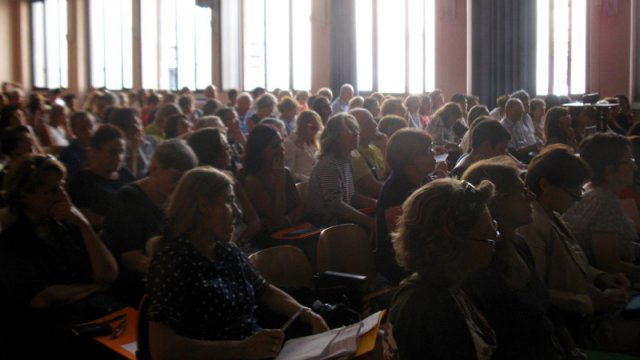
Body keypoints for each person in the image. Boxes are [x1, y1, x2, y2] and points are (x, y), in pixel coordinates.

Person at [146, 167, 328, 360]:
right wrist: (240, 349)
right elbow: (162, 349)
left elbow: (264, 290)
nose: (238, 212)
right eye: (229, 201)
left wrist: (306, 313)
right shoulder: (173, 260)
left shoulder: (226, 251)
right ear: (203, 206)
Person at [0, 154, 118, 358]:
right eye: (52, 190)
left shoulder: (67, 227)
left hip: (86, 318)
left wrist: (83, 224)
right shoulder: (12, 241)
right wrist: (93, 288)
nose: (62, 194)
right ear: (25, 196)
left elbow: (108, 274)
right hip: (44, 333)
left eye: (62, 186)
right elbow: (44, 298)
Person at [518, 145, 630, 347]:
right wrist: (593, 302)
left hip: (588, 312)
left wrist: (601, 277)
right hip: (575, 327)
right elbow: (538, 293)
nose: (579, 197)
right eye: (573, 191)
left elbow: (573, 259)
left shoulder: (552, 215)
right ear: (545, 185)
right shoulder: (533, 226)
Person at [462, 159, 569, 360]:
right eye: (521, 191)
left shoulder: (519, 244)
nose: (531, 196)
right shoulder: (481, 265)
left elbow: (548, 311)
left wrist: (571, 349)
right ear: (498, 200)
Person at [384, 178, 497, 359]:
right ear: (447, 245)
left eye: (494, 228)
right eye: (486, 235)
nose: (495, 240)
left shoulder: (458, 282)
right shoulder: (423, 311)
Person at [103, 139, 198, 306]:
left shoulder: (179, 198)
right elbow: (128, 257)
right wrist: (173, 274)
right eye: (175, 179)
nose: (179, 188)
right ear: (155, 168)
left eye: (184, 182)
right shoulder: (129, 199)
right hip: (139, 285)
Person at [563, 133, 640, 282]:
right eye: (629, 161)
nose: (634, 166)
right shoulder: (603, 199)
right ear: (609, 170)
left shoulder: (593, 190)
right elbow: (609, 264)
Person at [376, 129, 436, 284]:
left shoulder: (424, 179)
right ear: (410, 161)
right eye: (427, 151)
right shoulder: (395, 190)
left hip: (425, 250)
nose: (433, 153)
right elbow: (401, 239)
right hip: (401, 262)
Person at [187, 128, 261, 247]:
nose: (230, 151)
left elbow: (254, 221)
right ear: (212, 153)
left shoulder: (231, 178)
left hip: (241, 243)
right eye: (226, 148)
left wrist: (238, 242)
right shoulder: (197, 187)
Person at [306, 113, 376, 228]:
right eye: (350, 130)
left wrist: (374, 202)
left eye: (356, 129)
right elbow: (335, 205)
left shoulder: (345, 160)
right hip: (325, 225)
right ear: (336, 136)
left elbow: (350, 196)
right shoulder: (329, 164)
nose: (356, 133)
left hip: (339, 221)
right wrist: (369, 222)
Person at [68, 124, 136, 230]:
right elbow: (80, 214)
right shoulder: (83, 179)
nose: (119, 157)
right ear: (96, 151)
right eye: (113, 152)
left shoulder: (125, 174)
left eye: (121, 152)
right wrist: (117, 224)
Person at [243, 125, 305, 233]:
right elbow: (277, 217)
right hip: (271, 238)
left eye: (281, 143)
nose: (282, 149)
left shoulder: (285, 172)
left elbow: (301, 207)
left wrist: (286, 220)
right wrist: (279, 179)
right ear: (260, 152)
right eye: (275, 146)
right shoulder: (253, 180)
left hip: (294, 229)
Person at [109, 107, 158, 179]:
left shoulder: (152, 141)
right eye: (131, 126)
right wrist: (133, 151)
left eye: (138, 124)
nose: (137, 129)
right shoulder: (118, 151)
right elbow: (129, 180)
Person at [351, 108, 388, 198]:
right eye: (368, 123)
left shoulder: (376, 148)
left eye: (373, 120)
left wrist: (385, 149)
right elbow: (375, 190)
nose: (375, 125)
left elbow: (390, 174)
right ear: (355, 130)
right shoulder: (354, 155)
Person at [283, 110, 323, 182]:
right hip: (302, 186)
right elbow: (289, 173)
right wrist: (308, 179)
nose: (316, 132)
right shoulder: (290, 143)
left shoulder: (312, 142)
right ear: (302, 125)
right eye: (313, 128)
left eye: (317, 129)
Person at [500, 98, 542, 162]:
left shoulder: (518, 122)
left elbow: (524, 142)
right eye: (518, 111)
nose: (521, 113)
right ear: (508, 111)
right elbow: (513, 152)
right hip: (517, 159)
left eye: (521, 111)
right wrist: (532, 147)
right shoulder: (503, 127)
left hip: (526, 155)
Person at [58, 111, 95, 179]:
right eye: (83, 128)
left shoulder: (99, 149)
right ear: (73, 131)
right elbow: (71, 180)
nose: (89, 131)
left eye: (91, 127)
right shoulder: (68, 154)